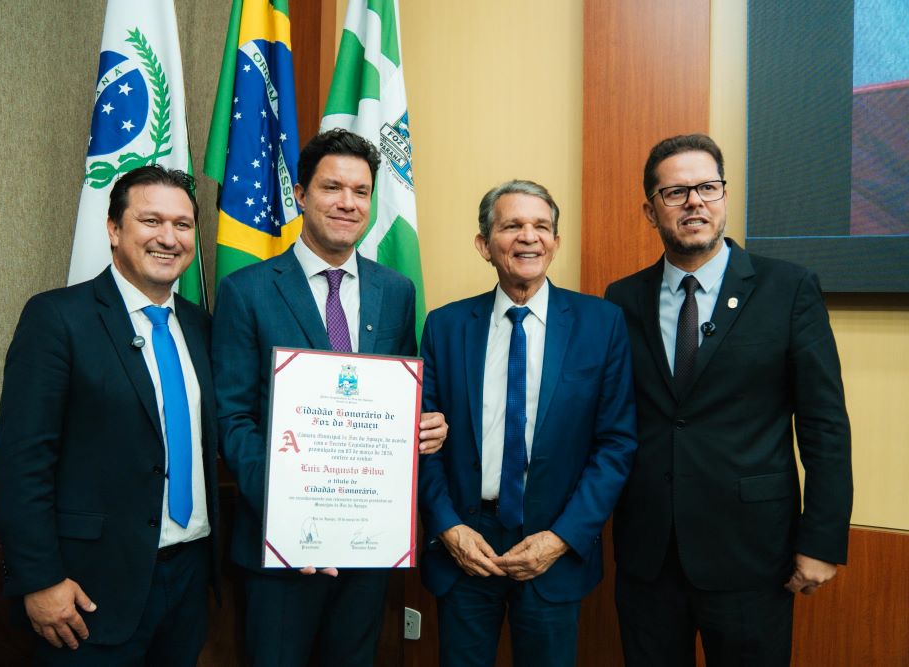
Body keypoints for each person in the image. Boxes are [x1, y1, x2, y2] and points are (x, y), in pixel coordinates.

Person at [604, 133, 853, 666]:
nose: (694, 202)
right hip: (649, 556)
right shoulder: (621, 299)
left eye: (707, 187)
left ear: (724, 195)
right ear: (650, 211)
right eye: (675, 193)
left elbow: (824, 424)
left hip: (752, 556)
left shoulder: (788, 289)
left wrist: (822, 540)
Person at [212, 128, 447, 667]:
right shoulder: (246, 291)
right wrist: (291, 515)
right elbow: (234, 419)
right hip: (280, 548)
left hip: (367, 545)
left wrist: (425, 424)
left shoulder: (396, 291)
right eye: (332, 188)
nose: (348, 203)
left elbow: (395, 404)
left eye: (361, 191)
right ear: (300, 194)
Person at [0, 165, 220, 665]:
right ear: (114, 229)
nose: (169, 237)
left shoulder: (202, 327)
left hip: (190, 578)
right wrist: (39, 579)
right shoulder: (57, 318)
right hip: (88, 589)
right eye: (151, 221)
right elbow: (21, 461)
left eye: (182, 224)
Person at [417, 179, 637, 666]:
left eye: (541, 226)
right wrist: (448, 526)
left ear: (556, 242)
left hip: (553, 544)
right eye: (512, 225)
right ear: (484, 245)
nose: (528, 236)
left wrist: (561, 538)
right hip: (466, 542)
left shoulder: (601, 324)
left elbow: (616, 444)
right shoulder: (445, 327)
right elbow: (424, 442)